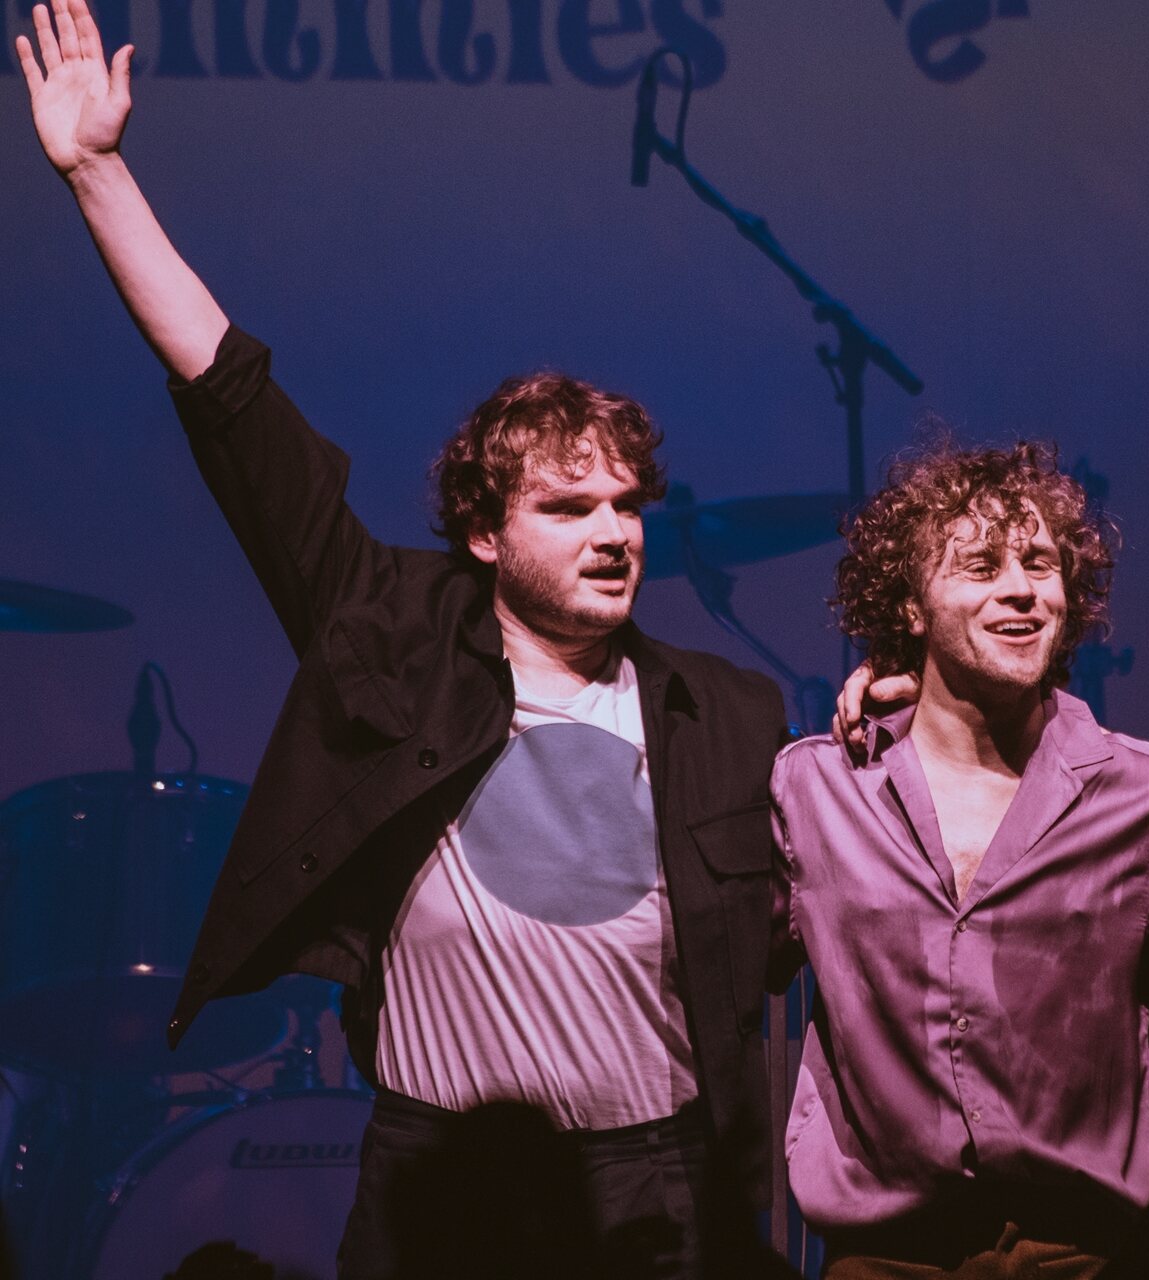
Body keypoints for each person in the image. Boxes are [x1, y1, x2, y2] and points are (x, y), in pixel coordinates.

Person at [16, 3, 788, 1273]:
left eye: (627, 504)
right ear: (484, 531)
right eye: (568, 506)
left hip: (656, 1181)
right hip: (445, 1177)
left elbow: (811, 929)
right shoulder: (392, 632)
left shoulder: (729, 709)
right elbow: (234, 404)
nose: (614, 532)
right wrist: (96, 171)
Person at [773, 440, 1149, 1278]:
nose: (1022, 589)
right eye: (981, 566)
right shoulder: (818, 789)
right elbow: (708, 977)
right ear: (912, 607)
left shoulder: (1136, 794)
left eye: (1039, 564)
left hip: (1087, 1256)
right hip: (884, 1258)